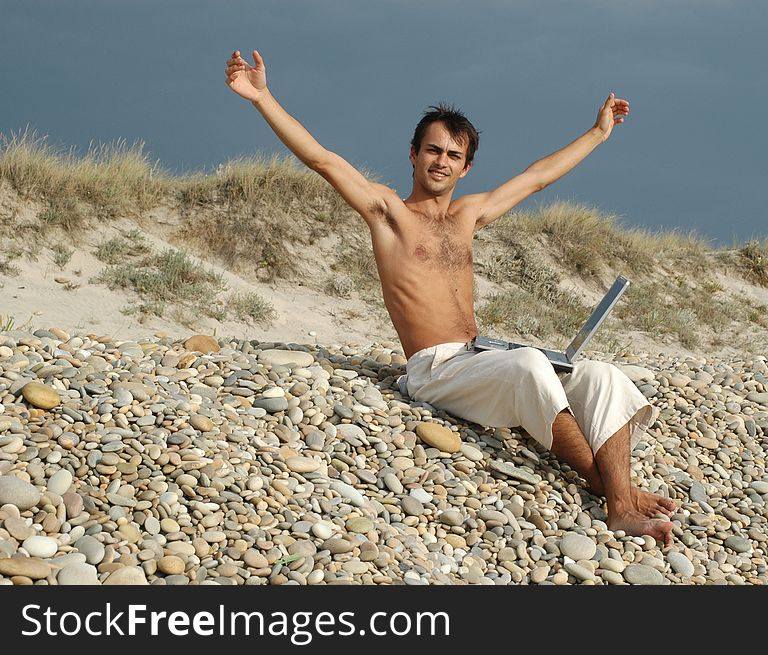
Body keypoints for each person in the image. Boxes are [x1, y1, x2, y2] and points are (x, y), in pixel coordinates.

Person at [225, 50, 676, 546]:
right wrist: (262, 97)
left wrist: (598, 132)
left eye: (453, 155)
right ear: (414, 154)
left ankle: (619, 488)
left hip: (480, 356)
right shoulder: (388, 213)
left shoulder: (467, 216)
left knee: (602, 375)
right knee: (529, 365)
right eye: (433, 151)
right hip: (434, 368)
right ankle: (620, 500)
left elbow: (537, 177)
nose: (442, 161)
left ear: (465, 168)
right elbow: (322, 159)